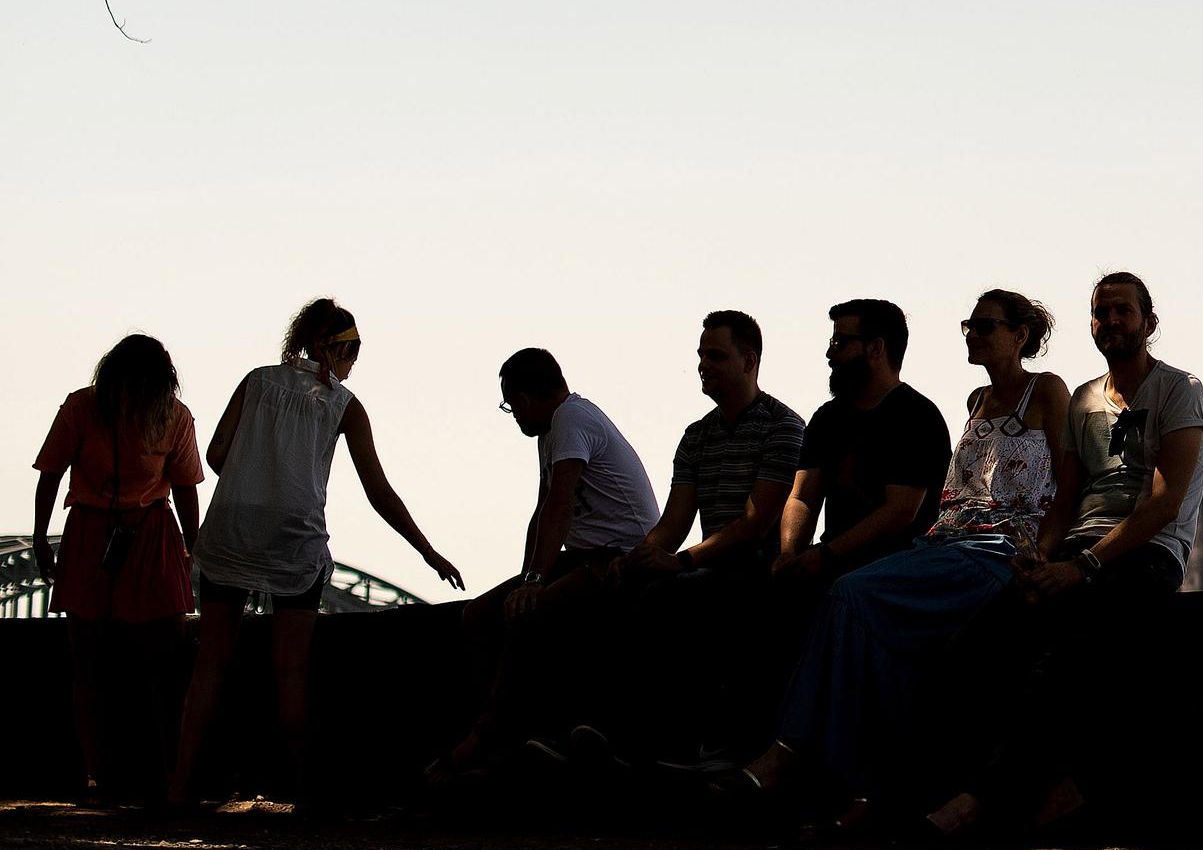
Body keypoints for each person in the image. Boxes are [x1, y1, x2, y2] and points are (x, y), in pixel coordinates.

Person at [728, 292, 1065, 827]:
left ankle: (791, 751)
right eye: (967, 325)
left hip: (998, 550)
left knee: (850, 595)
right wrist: (793, 554)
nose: (971, 335)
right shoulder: (975, 400)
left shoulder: (1045, 390)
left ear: (1020, 335)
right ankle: (863, 790)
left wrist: (1045, 555)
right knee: (871, 629)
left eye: (983, 326)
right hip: (944, 544)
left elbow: (1064, 484)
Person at [924, 270, 1203, 839]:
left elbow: (1163, 503)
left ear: (1149, 324)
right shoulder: (1083, 400)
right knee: (973, 648)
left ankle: (984, 800)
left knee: (1065, 656)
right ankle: (1030, 790)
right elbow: (1064, 499)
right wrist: (1041, 557)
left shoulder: (1180, 390)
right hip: (1079, 551)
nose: (1110, 323)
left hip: (1147, 553)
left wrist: (1081, 567)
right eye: (1101, 312)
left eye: (1122, 312)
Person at [168, 299, 463, 807]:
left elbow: (216, 454)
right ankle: (303, 793)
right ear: (335, 348)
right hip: (295, 539)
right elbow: (379, 492)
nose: (354, 365)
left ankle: (178, 788)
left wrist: (255, 481)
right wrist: (428, 551)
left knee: (210, 664)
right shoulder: (344, 405)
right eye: (354, 352)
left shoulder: (256, 381)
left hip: (232, 531)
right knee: (291, 670)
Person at [572, 309, 805, 765]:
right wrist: (642, 555)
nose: (703, 364)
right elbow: (673, 522)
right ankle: (602, 730)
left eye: (716, 355)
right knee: (616, 588)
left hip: (759, 568)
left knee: (671, 600)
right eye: (701, 355)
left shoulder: (784, 426)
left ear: (749, 360)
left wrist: (680, 562)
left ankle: (665, 741)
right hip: (708, 563)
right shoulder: (696, 436)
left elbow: (756, 523)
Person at [429, 348, 659, 778]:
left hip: (618, 558)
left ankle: (492, 737)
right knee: (479, 615)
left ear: (526, 398)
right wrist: (525, 578)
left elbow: (560, 506)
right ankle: (499, 730)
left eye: (510, 405)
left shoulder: (572, 420)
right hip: (583, 556)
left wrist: (534, 582)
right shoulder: (552, 431)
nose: (513, 416)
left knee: (530, 615)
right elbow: (542, 512)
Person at [29, 335, 205, 799]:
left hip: (90, 532)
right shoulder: (174, 414)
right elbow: (186, 487)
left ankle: (98, 772)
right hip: (149, 534)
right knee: (162, 664)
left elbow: (50, 474)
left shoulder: (82, 407)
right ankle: (167, 772)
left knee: (89, 664)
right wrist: (193, 548)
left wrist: (41, 536)